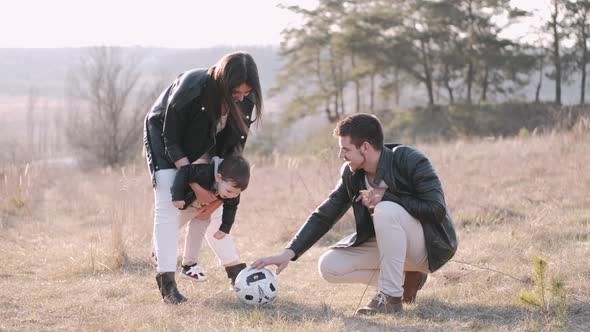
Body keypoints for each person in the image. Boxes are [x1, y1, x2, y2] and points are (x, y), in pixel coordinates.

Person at [253, 113, 457, 315]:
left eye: (346, 149)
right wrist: (288, 252)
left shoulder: (409, 159)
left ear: (365, 147)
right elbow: (326, 214)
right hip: (392, 247)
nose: (341, 155)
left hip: (428, 246)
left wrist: (387, 196)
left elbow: (436, 209)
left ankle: (390, 299)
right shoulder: (351, 173)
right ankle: (406, 280)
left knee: (386, 209)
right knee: (329, 266)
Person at [143, 51, 262, 304]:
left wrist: (217, 199)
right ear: (222, 83)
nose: (241, 99)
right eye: (235, 94)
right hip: (167, 141)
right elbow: (171, 139)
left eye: (246, 93)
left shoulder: (245, 99)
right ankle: (167, 283)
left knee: (214, 207)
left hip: (207, 142)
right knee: (168, 203)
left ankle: (235, 271)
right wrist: (195, 186)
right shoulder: (192, 87)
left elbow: (233, 155)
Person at [171, 155, 250, 276]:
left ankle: (189, 265)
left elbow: (231, 208)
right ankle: (157, 252)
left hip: (203, 209)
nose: (232, 196)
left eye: (236, 193)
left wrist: (224, 228)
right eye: (229, 191)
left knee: (199, 230)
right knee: (171, 226)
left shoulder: (232, 191)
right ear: (219, 178)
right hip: (186, 204)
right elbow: (184, 171)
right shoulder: (205, 172)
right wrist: (177, 197)